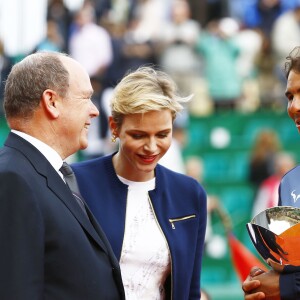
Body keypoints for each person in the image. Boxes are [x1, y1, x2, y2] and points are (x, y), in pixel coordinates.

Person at [72, 66, 207, 299]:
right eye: (139, 135)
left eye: (163, 134)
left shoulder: (189, 193)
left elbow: (190, 289)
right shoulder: (75, 182)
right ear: (115, 128)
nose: (152, 147)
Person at [0, 51, 125, 299]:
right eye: (86, 98)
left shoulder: (47, 174)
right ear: (52, 102)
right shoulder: (13, 179)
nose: (95, 111)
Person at [242, 46, 300, 299]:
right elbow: (289, 265)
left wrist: (286, 287)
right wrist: (264, 284)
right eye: (290, 96)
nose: (294, 107)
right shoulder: (290, 182)